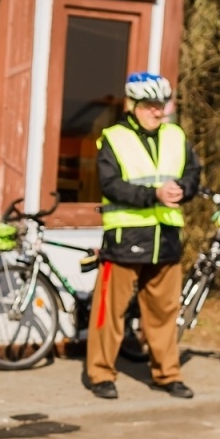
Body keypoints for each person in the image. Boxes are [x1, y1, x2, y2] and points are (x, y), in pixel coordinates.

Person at [83, 71, 202, 400]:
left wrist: (184, 189)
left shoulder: (176, 135)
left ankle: (167, 375)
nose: (157, 111)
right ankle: (101, 374)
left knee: (165, 313)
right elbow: (111, 185)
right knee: (110, 312)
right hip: (125, 236)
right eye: (150, 105)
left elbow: (193, 173)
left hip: (166, 237)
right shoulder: (113, 137)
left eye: (161, 105)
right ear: (132, 104)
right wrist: (154, 194)